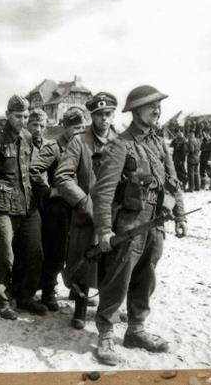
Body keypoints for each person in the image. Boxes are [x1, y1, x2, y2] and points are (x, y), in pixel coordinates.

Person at [91, 85, 187, 366]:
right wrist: (104, 230)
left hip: (156, 224)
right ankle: (106, 334)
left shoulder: (159, 142)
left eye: (158, 106)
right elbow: (104, 193)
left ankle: (135, 330)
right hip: (129, 226)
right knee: (117, 280)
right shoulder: (119, 145)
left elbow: (173, 180)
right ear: (135, 111)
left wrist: (179, 214)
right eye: (150, 106)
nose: (157, 110)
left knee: (146, 278)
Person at [0, 95, 46, 320]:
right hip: (2, 206)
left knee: (35, 253)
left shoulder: (27, 137)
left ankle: (25, 297)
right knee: (5, 256)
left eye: (26, 116)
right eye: (18, 116)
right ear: (8, 115)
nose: (23, 120)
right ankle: (3, 301)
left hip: (28, 205)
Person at [54, 92, 118, 329]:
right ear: (92, 116)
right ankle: (79, 309)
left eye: (108, 114)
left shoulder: (121, 141)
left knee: (112, 262)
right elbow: (62, 177)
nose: (104, 119)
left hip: (113, 214)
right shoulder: (79, 142)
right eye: (99, 115)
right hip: (85, 215)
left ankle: (107, 309)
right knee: (83, 259)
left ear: (113, 115)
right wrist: (83, 201)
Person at [29, 107, 85, 312]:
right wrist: (50, 191)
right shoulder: (54, 148)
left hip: (79, 207)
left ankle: (76, 289)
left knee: (78, 249)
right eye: (75, 128)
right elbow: (33, 170)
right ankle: (48, 292)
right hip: (58, 209)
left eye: (82, 127)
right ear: (65, 127)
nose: (79, 132)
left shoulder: (83, 146)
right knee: (56, 251)